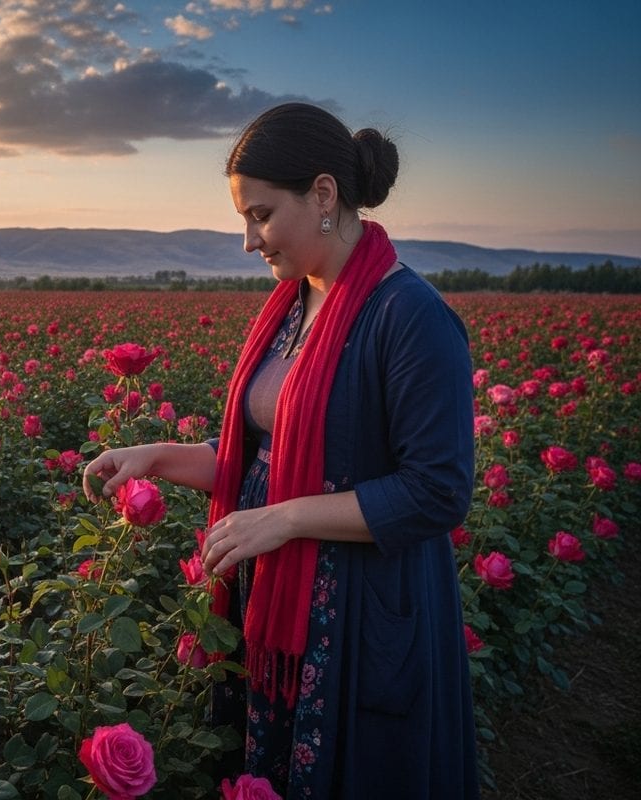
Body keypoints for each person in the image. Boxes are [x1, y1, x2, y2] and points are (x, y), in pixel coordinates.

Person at [82, 102, 479, 798]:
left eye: (260, 215)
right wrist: (156, 454)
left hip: (354, 618)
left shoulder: (409, 317)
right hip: (278, 606)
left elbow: (438, 491)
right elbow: (259, 457)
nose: (248, 240)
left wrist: (289, 518)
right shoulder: (297, 306)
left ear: (324, 195)